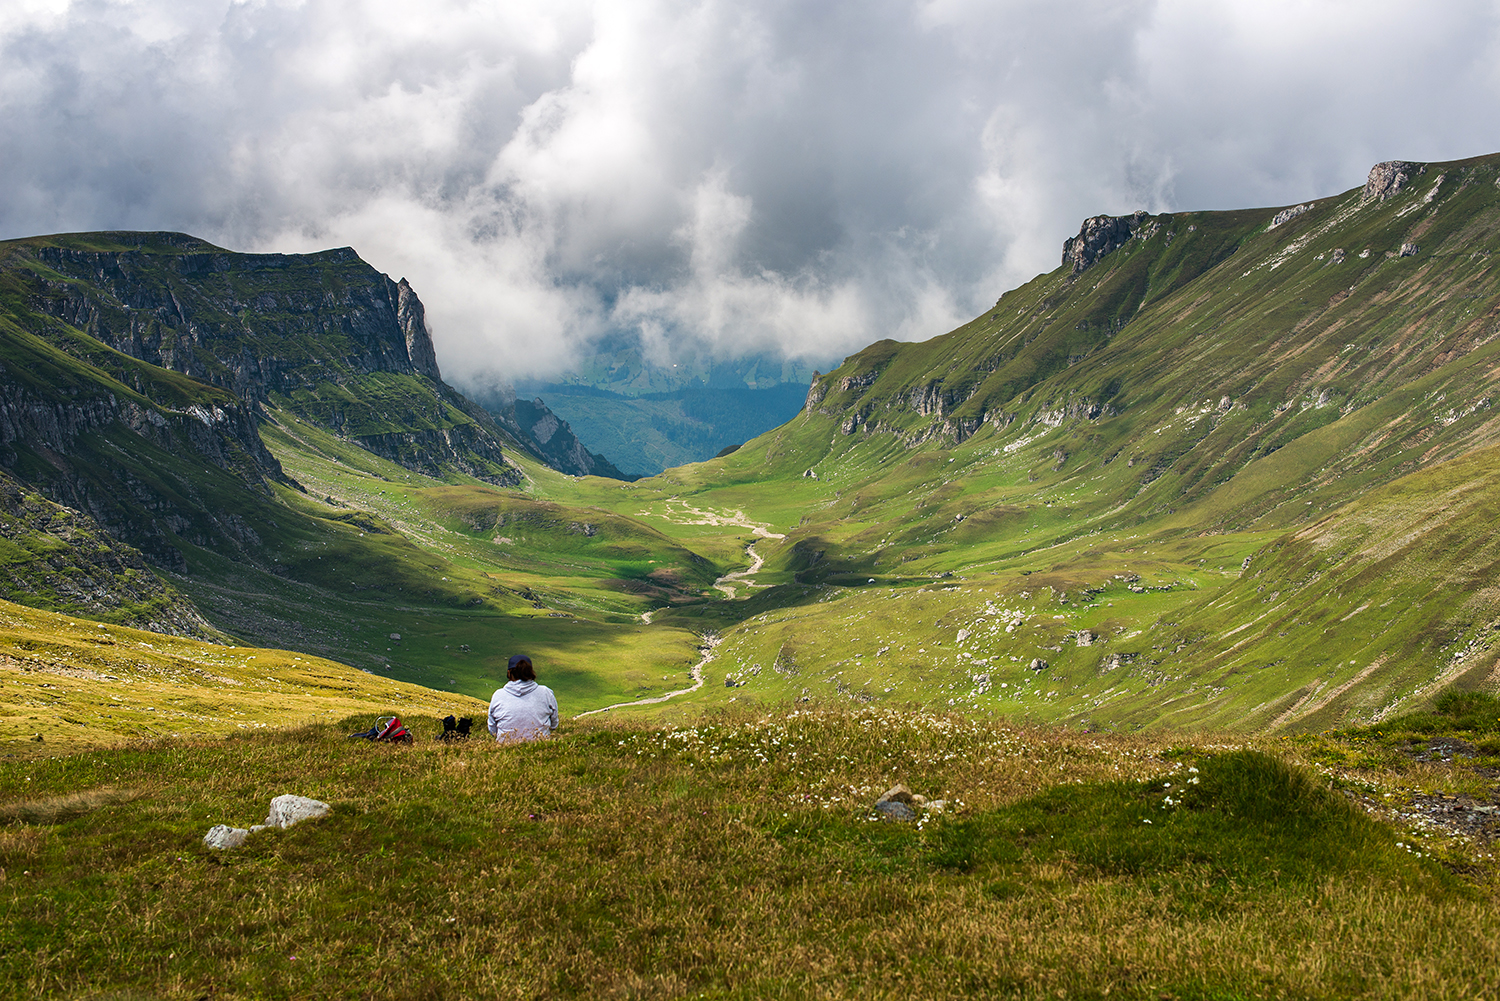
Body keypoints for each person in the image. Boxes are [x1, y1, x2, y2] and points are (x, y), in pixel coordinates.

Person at [487, 654, 559, 743]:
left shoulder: (498, 695)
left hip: (506, 748)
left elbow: (492, 730)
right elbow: (554, 724)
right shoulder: (546, 692)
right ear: (531, 672)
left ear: (509, 673)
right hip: (540, 746)